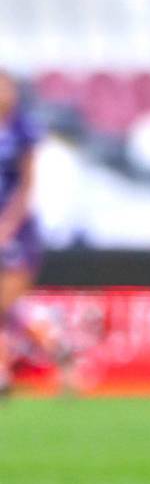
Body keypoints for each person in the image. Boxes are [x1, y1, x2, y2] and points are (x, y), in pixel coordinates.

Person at [0, 72, 44, 395]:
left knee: (7, 301)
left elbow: (27, 184)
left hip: (14, 230)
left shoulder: (22, 129)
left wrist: (8, 224)